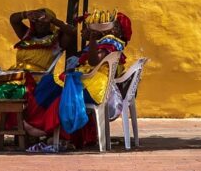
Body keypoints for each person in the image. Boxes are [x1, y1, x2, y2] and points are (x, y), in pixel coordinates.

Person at [23, 8, 132, 148]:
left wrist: (93, 38)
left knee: (50, 85)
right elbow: (85, 59)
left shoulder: (110, 42)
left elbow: (94, 61)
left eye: (116, 25)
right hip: (91, 84)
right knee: (50, 86)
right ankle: (43, 128)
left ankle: (40, 126)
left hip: (93, 88)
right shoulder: (106, 42)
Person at [0, 8, 75, 140]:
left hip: (33, 79)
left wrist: (53, 19)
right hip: (13, 74)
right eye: (37, 22)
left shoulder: (57, 39)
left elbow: (72, 31)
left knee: (0, 92)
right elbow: (13, 19)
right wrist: (27, 14)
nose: (40, 25)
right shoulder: (27, 35)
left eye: (44, 22)